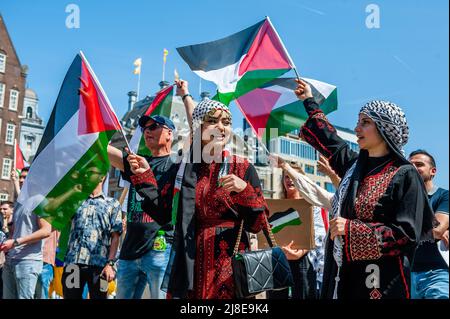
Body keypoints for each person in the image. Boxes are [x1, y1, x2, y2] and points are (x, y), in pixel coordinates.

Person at [294, 78, 434, 299]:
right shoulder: (354, 167)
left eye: (365, 122)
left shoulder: (405, 174)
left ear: (385, 129)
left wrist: (351, 230)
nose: (357, 128)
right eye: (358, 121)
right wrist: (308, 100)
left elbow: (407, 234)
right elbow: (330, 140)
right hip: (343, 273)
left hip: (382, 281)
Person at [127, 99, 269, 299]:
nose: (221, 127)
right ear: (198, 127)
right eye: (213, 121)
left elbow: (259, 223)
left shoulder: (243, 167)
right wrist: (144, 178)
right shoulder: (183, 168)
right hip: (191, 262)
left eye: (227, 122)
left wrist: (244, 189)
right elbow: (163, 212)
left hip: (231, 264)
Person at [108, 80, 194, 299]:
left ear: (170, 134)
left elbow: (199, 132)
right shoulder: (138, 162)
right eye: (145, 128)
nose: (147, 131)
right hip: (128, 252)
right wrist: (89, 112)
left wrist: (185, 95)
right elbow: (104, 149)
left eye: (154, 127)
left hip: (160, 248)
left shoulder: (177, 165)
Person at [62, 177, 122, 299]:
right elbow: (57, 216)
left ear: (102, 177)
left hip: (100, 266)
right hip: (73, 263)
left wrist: (110, 264)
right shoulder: (75, 201)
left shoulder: (113, 204)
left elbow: (115, 237)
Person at [409, 150, 449, 299]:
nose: (412, 168)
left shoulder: (444, 196)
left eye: (419, 164)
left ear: (433, 171)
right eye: (409, 165)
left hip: (437, 274)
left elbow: (437, 230)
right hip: (406, 274)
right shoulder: (401, 201)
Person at [0, 201, 14, 299]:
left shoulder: (16, 224)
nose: (2, 211)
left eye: (5, 209)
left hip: (12, 262)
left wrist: (6, 228)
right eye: (1, 209)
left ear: (12, 210)